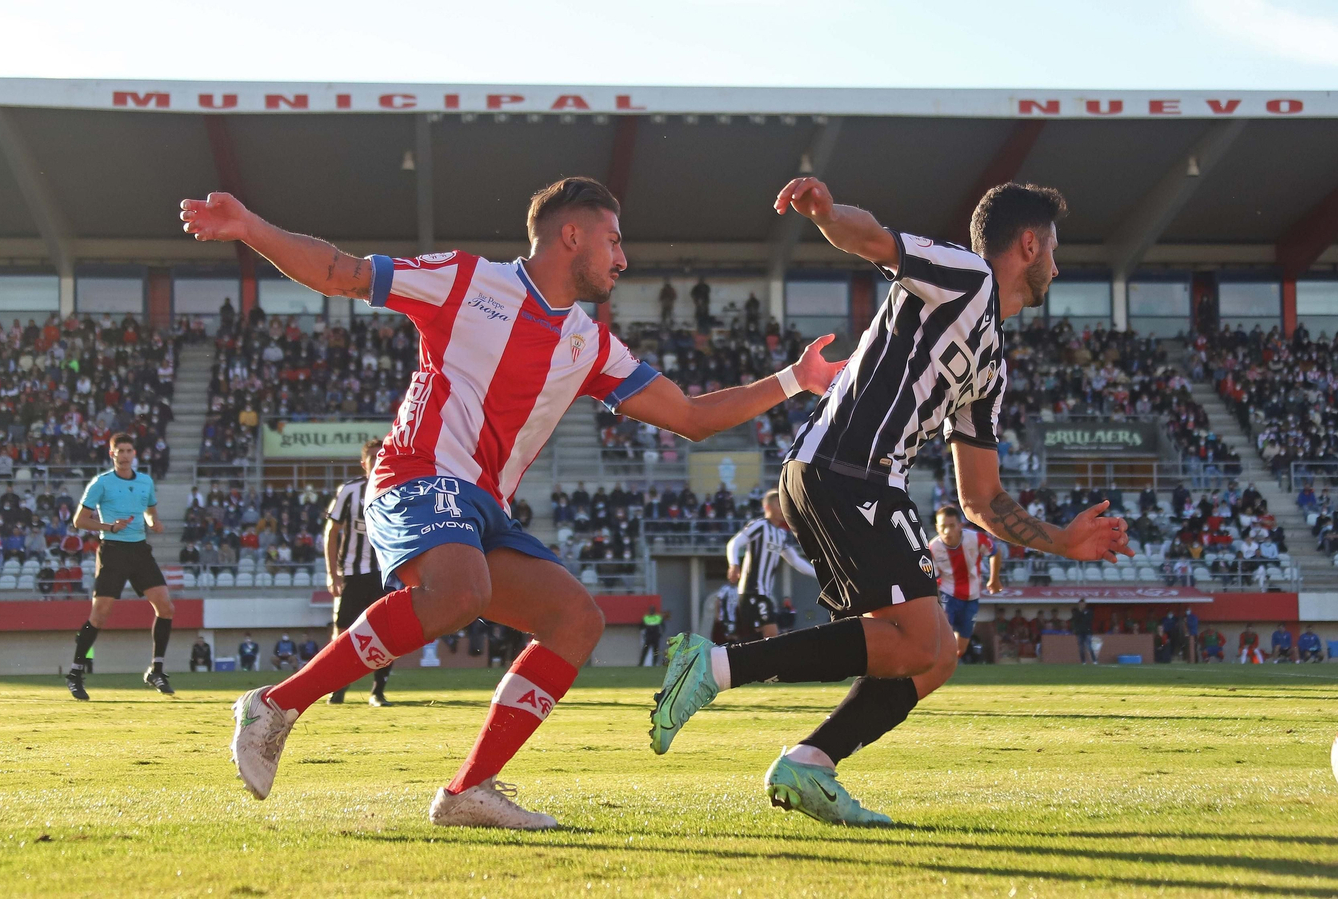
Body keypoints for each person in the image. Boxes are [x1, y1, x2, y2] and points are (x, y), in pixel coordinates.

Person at [184, 175, 844, 830]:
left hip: (484, 505)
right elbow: (341, 273)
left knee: (576, 620)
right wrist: (251, 228)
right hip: (417, 474)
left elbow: (691, 417)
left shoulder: (590, 344)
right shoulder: (466, 280)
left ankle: (469, 789)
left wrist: (796, 379)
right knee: (460, 589)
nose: (622, 258)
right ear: (571, 234)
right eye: (613, 240)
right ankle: (274, 704)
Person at [649, 177, 1131, 825]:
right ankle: (709, 665)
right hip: (845, 467)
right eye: (1054, 251)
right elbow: (875, 239)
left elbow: (981, 498)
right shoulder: (967, 275)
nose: (1058, 265)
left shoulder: (991, 360)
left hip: (865, 479)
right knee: (918, 641)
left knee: (938, 654)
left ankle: (811, 762)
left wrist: (1063, 540)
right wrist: (827, 216)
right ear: (1029, 243)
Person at [64, 433, 173, 700]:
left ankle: (156, 670)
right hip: (112, 549)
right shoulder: (101, 483)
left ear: (134, 454)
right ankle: (75, 673)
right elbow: (80, 521)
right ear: (112, 454)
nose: (125, 455)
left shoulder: (145, 481)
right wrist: (110, 526)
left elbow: (150, 510)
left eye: (128, 451)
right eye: (120, 451)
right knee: (100, 614)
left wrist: (152, 523)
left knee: (166, 607)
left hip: (139, 550)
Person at [323, 439, 394, 707]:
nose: (379, 460)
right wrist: (332, 574)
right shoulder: (350, 491)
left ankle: (378, 691)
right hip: (353, 574)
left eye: (383, 456)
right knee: (342, 632)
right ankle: (338, 686)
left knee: (387, 633)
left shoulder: (397, 490)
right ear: (363, 463)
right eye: (373, 457)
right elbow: (331, 532)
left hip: (385, 574)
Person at [725, 490, 817, 641]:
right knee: (771, 634)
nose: (782, 508)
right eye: (778, 504)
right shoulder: (759, 526)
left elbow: (795, 561)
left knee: (759, 639)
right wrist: (734, 564)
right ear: (767, 507)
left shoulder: (781, 534)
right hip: (751, 591)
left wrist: (819, 575)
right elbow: (733, 543)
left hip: (764, 594)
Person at [927, 505, 1002, 660]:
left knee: (960, 649)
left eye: (951, 526)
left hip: (971, 598)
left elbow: (995, 552)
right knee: (943, 633)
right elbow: (932, 578)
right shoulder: (933, 548)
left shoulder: (975, 539)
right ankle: (933, 666)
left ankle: (948, 664)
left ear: (960, 525)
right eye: (943, 527)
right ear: (937, 527)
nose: (947, 531)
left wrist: (994, 579)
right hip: (948, 595)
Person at [1069, 598, 1096, 665]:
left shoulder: (1089, 612)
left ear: (1085, 604)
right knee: (1081, 647)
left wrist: (1082, 614)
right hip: (1080, 632)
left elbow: (1088, 619)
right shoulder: (1076, 612)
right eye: (1080, 604)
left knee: (1089, 646)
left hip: (1087, 631)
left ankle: (1094, 660)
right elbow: (1075, 620)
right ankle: (1083, 661)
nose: (1082, 605)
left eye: (1083, 604)